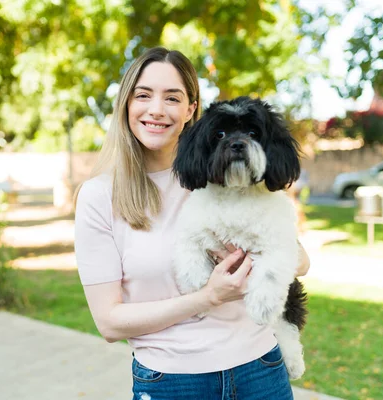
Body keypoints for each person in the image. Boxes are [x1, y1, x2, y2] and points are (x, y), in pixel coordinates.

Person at [74, 47, 310, 400]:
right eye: (143, 95)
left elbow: (301, 261)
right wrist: (207, 297)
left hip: (259, 369)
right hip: (172, 380)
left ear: (191, 109)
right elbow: (109, 323)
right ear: (126, 103)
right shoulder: (97, 197)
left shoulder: (226, 177)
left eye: (172, 97)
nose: (156, 109)